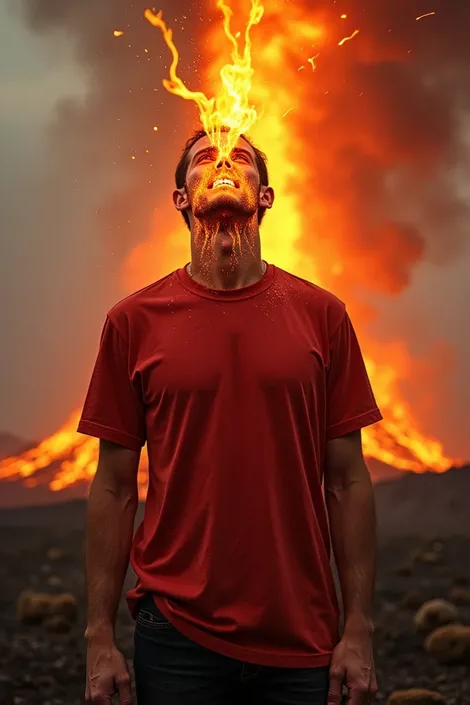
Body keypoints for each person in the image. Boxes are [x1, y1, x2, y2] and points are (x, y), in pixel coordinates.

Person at [79, 127, 382, 705]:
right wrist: (99, 638)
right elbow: (114, 487)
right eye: (203, 160)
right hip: (175, 634)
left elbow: (347, 480)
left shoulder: (324, 316)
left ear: (265, 196)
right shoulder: (132, 321)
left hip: (303, 636)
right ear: (180, 199)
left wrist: (359, 629)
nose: (223, 163)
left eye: (240, 158)